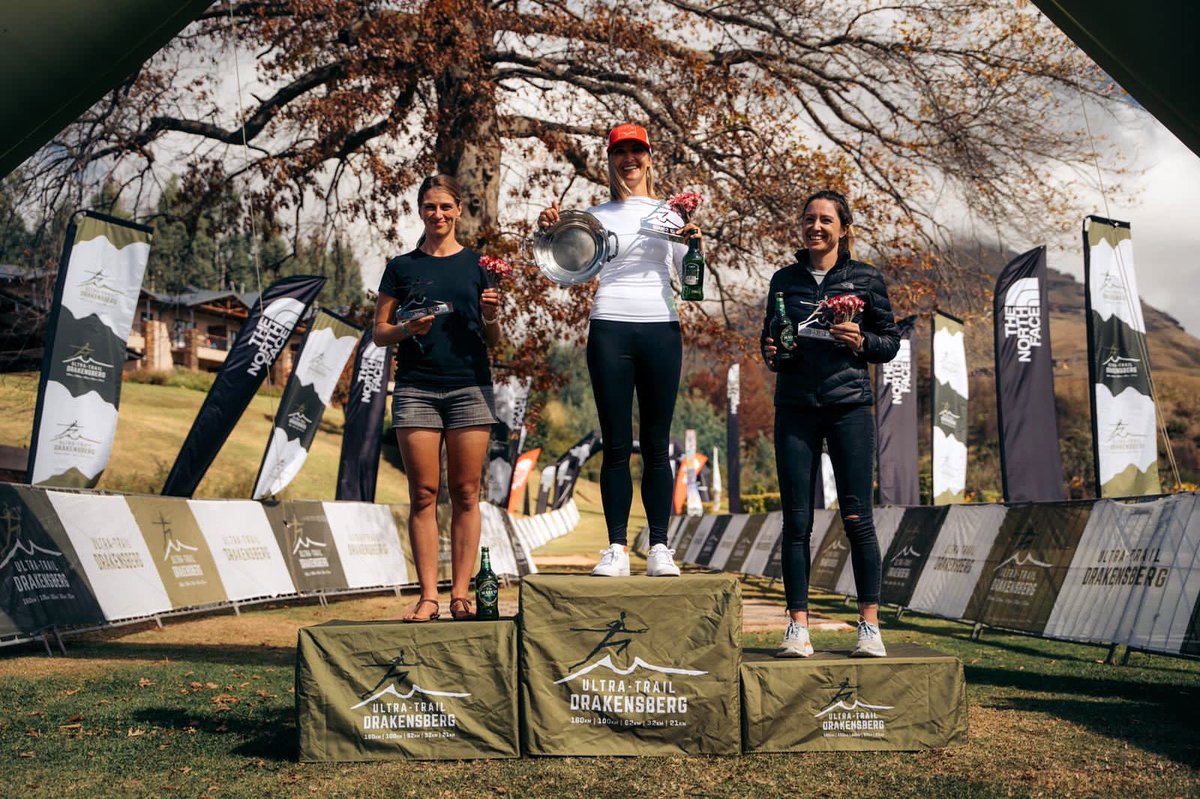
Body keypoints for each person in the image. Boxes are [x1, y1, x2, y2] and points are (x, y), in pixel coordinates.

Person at [537, 123, 701, 578]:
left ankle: (660, 547)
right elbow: (567, 266)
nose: (628, 159)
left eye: (636, 151)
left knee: (654, 444)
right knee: (613, 445)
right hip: (609, 326)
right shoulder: (594, 216)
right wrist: (549, 230)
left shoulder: (671, 214)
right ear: (609, 161)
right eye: (619, 152)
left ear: (650, 158)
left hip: (661, 328)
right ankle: (614, 548)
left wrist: (692, 247)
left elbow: (689, 285)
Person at [760, 189, 900, 657]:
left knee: (857, 518)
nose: (815, 227)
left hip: (849, 407)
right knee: (796, 521)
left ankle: (869, 626)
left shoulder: (865, 278)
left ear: (844, 228)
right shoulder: (783, 280)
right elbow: (770, 341)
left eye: (825, 220)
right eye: (808, 219)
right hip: (796, 407)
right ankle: (797, 627)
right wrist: (772, 352)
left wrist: (861, 340)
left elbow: (890, 341)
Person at [373, 174, 502, 621]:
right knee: (424, 494)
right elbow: (379, 333)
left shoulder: (479, 265)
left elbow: (496, 339)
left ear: (460, 209)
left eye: (446, 206)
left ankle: (461, 596)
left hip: (470, 386)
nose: (438, 215)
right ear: (420, 211)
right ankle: (429, 597)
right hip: (416, 389)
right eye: (430, 207)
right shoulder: (401, 267)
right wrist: (408, 328)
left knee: (466, 493)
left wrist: (490, 315)